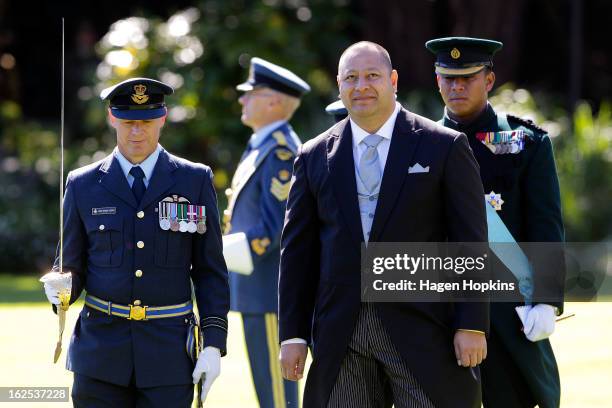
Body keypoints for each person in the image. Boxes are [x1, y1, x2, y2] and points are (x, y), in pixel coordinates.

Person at [278, 41, 489, 408]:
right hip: (341, 333)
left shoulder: (444, 145)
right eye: (351, 78)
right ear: (339, 85)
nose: (361, 86)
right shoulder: (313, 155)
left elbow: (470, 241)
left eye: (372, 76)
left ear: (392, 79)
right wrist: (292, 334)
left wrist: (471, 324)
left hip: (424, 328)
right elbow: (297, 253)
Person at [41, 77, 229, 408]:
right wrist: (60, 289)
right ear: (112, 118)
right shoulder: (83, 184)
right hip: (100, 356)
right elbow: (71, 264)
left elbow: (209, 270)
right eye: (128, 122)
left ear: (163, 118)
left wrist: (213, 344)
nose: (136, 132)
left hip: (169, 356)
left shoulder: (194, 180)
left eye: (145, 122)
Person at [426, 37, 565, 408]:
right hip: (440, 310)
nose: (456, 87)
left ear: (489, 80)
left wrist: (546, 300)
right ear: (436, 80)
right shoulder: (419, 143)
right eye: (448, 78)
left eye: (467, 78)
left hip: (507, 311)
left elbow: (545, 225)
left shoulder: (526, 142)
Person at [223, 57, 310, 408]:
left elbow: (273, 229)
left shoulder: (280, 151)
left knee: (277, 394)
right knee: (268, 391)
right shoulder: (263, 144)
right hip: (257, 285)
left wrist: (220, 252)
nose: (242, 100)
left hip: (269, 287)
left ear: (274, 101)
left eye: (251, 94)